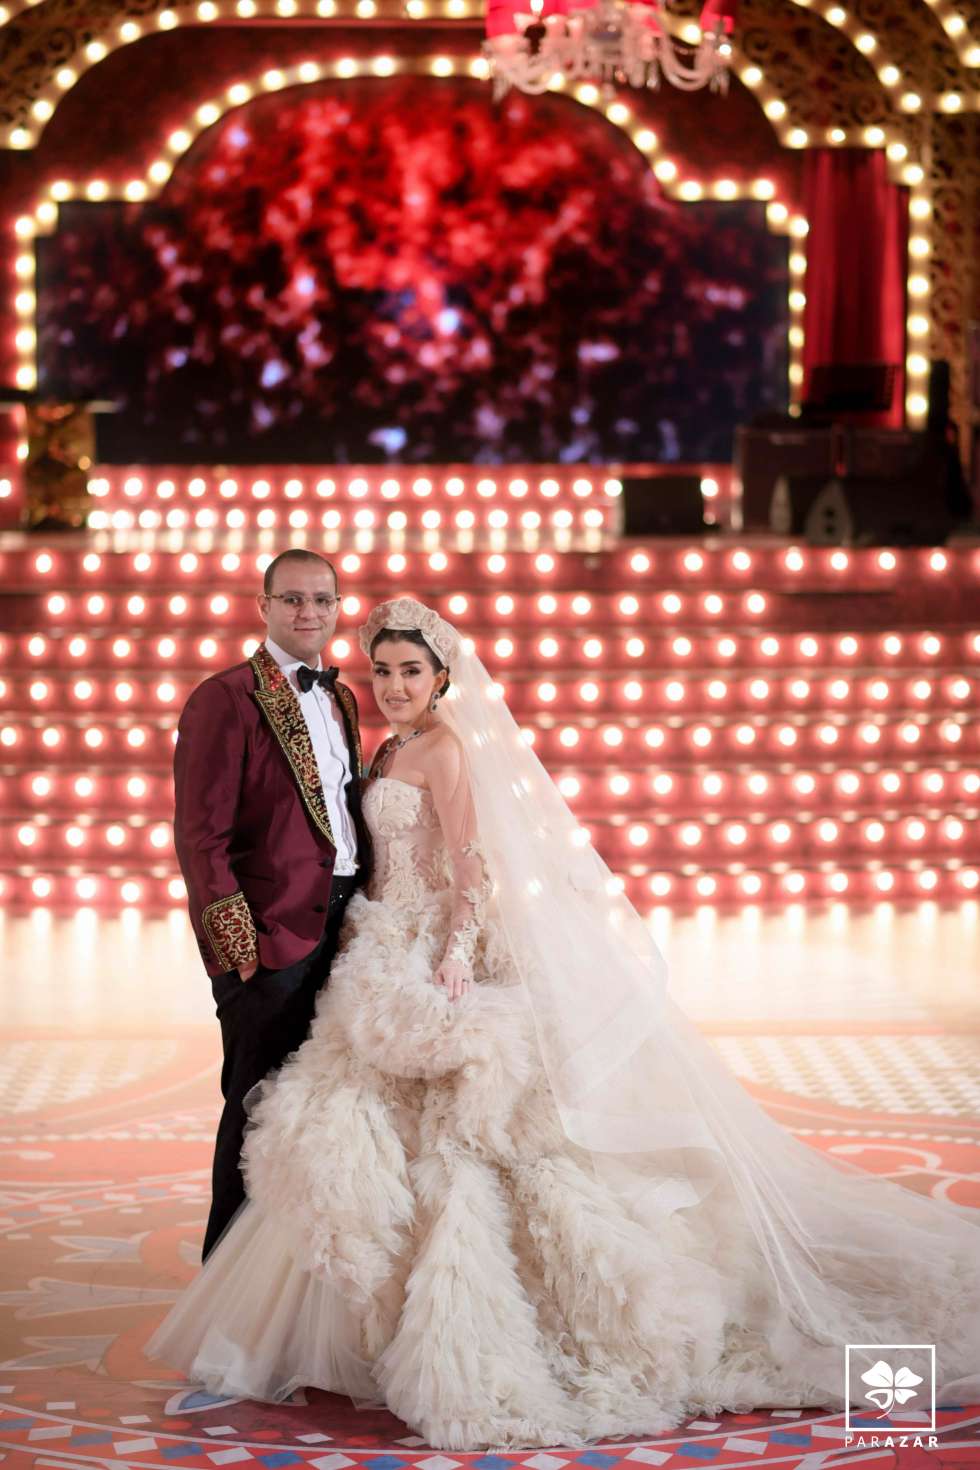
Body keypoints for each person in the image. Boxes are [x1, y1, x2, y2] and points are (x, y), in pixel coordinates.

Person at [151, 596, 980, 1448]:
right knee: (350, 1131)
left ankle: (482, 1317)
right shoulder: (388, 743)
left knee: (464, 1143)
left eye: (412, 672)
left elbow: (472, 866)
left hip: (428, 951)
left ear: (443, 677)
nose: (395, 686)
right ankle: (340, 1324)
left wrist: (457, 956)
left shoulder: (445, 749)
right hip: (377, 943)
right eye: (385, 671)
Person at [172, 548, 368, 1259]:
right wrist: (241, 954)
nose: (308, 613)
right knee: (254, 1113)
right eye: (291, 599)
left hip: (346, 930)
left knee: (318, 1120)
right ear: (264, 606)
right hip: (270, 942)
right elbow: (201, 838)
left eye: (322, 599)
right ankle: (225, 1285)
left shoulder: (341, 697)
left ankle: (289, 1293)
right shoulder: (223, 699)